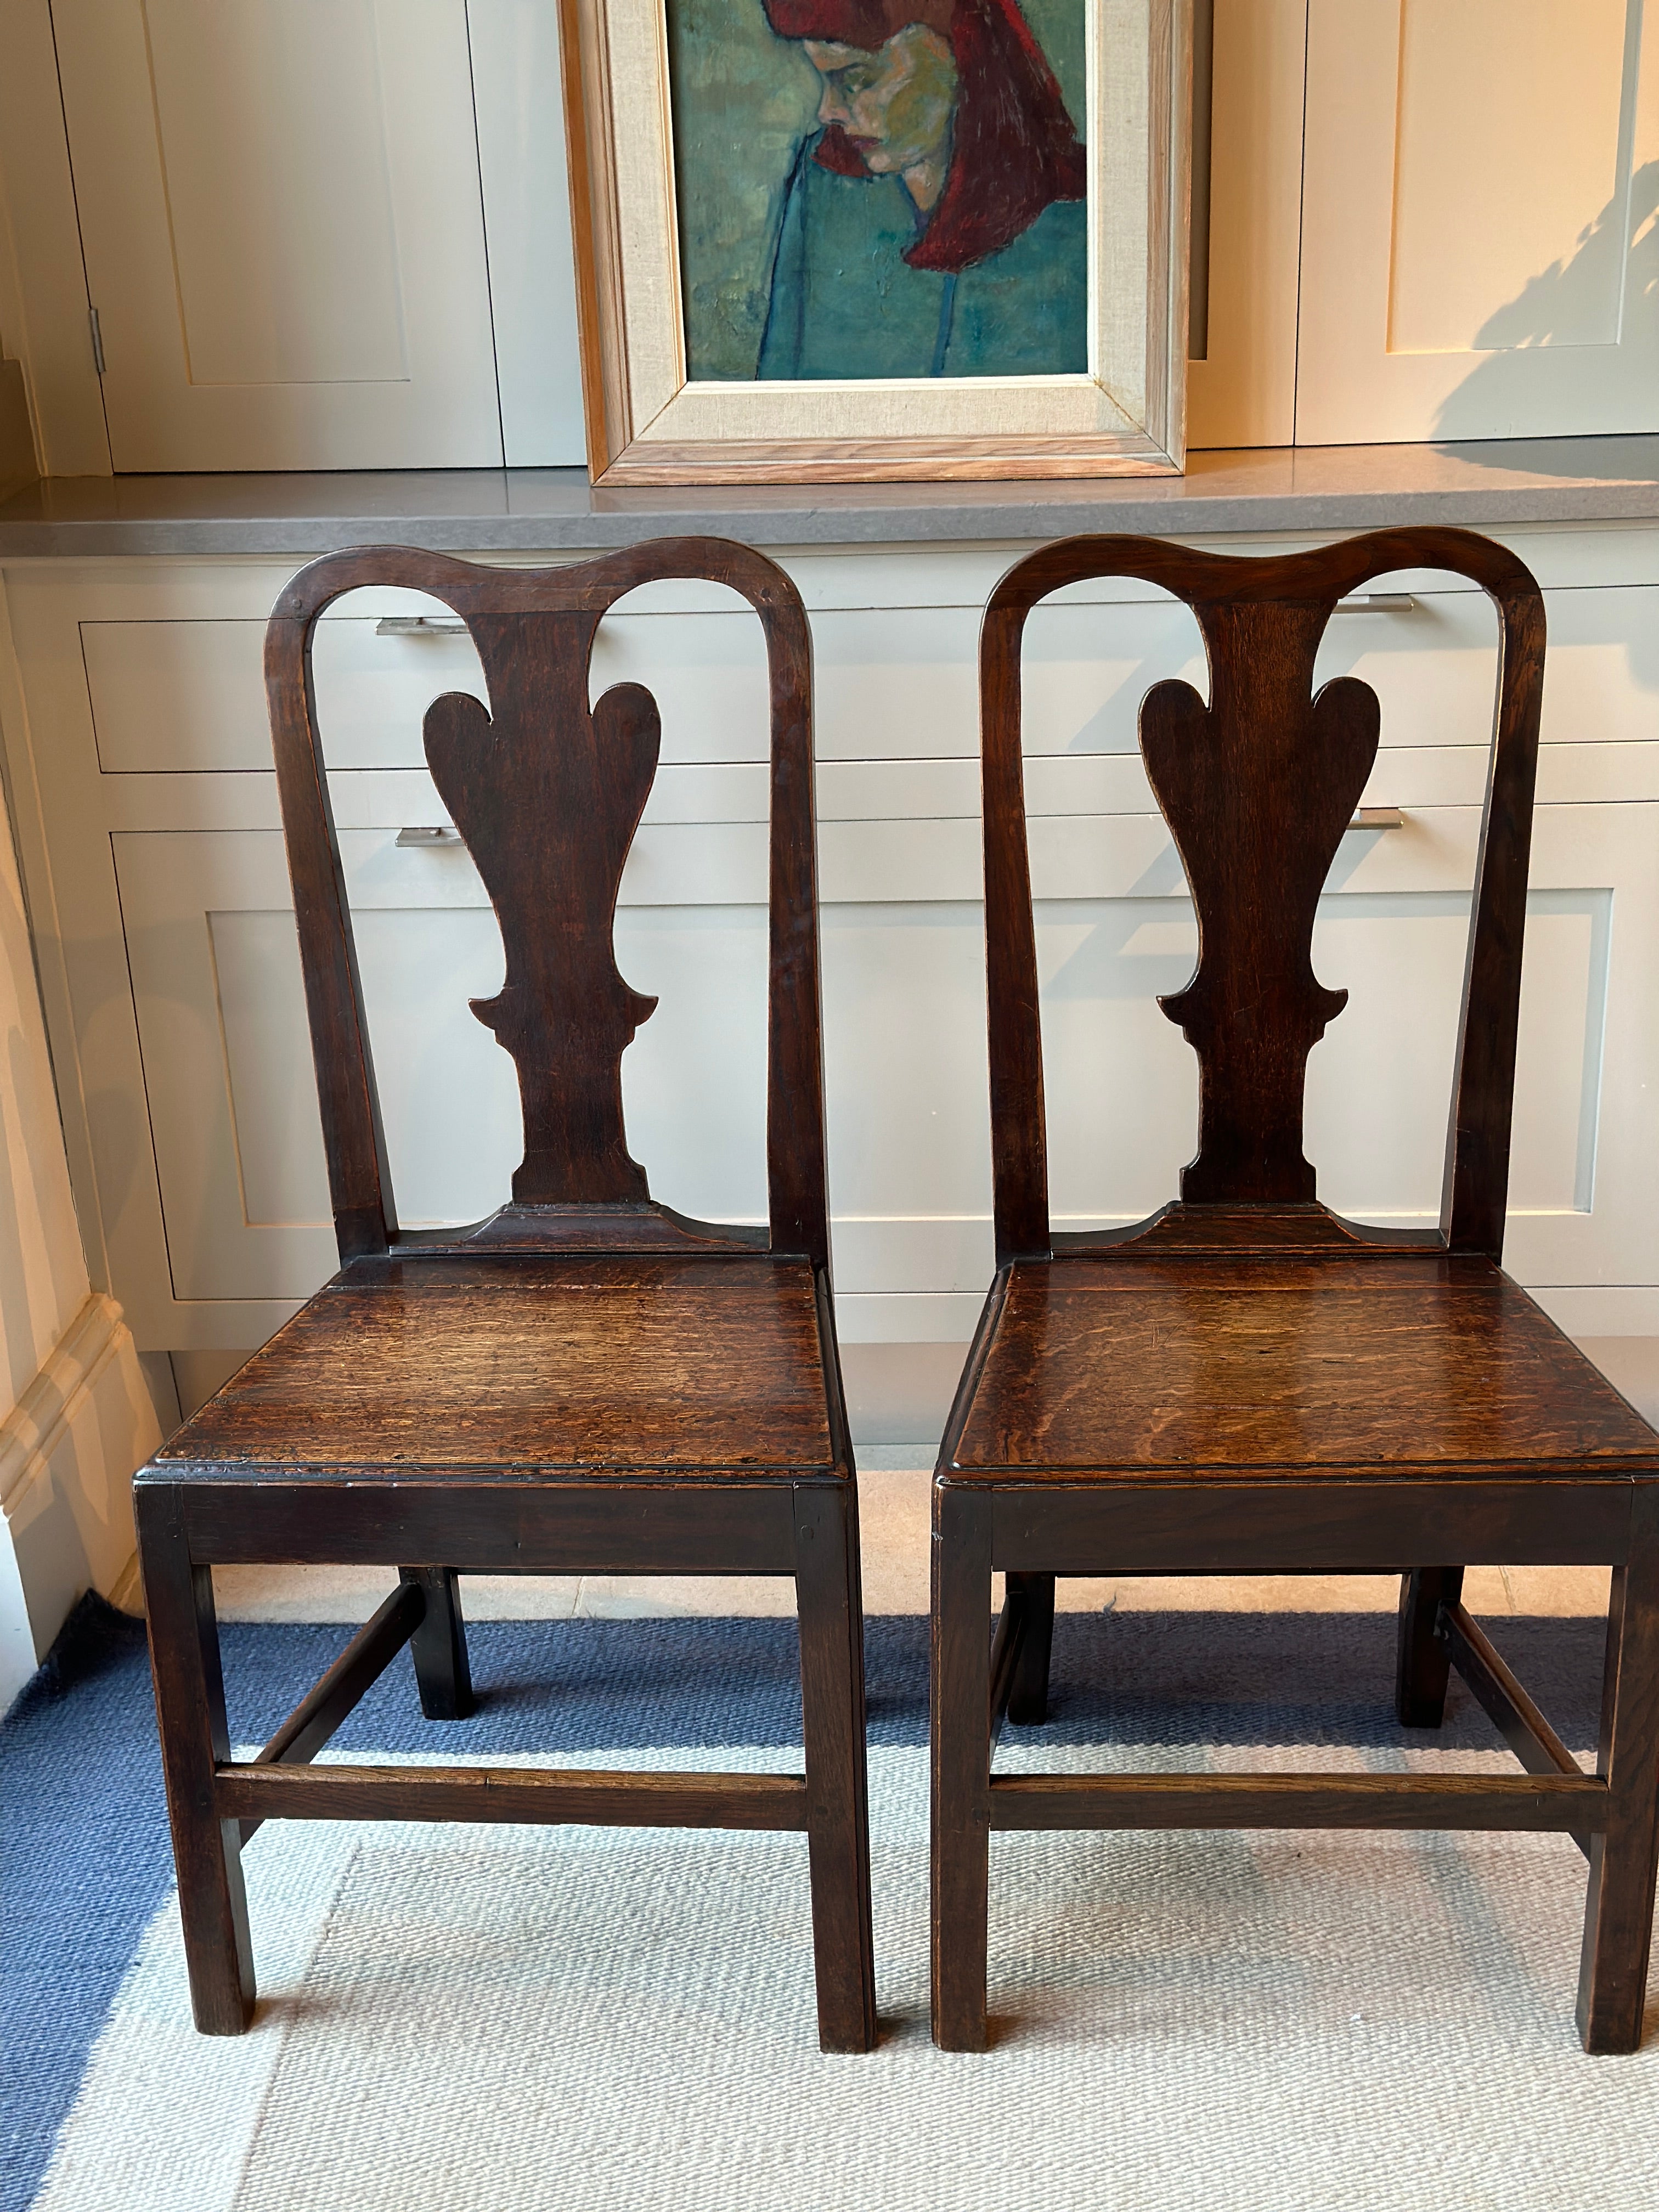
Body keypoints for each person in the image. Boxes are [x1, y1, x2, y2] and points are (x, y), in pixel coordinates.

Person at [757, 0, 1087, 379]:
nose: (828, 111)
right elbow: (779, 378)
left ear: (959, 49)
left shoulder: (1075, 220)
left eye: (857, 79)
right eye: (822, 80)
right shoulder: (822, 179)